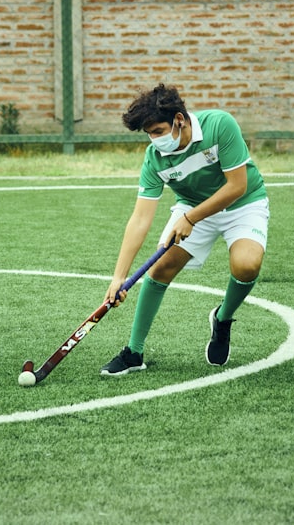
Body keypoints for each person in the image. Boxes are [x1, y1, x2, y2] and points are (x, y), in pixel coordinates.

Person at [101, 84, 269, 376]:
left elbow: (237, 186)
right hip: (193, 207)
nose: (154, 140)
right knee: (161, 267)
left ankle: (223, 318)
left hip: (243, 204)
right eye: (149, 134)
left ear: (179, 119)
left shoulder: (219, 125)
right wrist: (118, 277)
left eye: (158, 131)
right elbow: (140, 218)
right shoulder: (154, 159)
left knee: (246, 265)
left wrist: (191, 218)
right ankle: (134, 352)